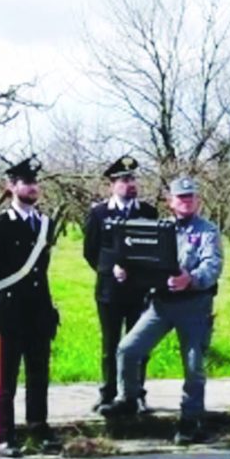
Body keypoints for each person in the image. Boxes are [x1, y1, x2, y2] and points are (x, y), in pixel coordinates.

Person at [100, 175, 223, 445]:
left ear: (197, 201)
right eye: (181, 197)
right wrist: (124, 270)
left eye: (190, 197)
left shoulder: (207, 231)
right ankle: (128, 398)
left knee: (193, 366)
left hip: (194, 305)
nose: (186, 202)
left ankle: (191, 420)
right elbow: (141, 259)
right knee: (128, 349)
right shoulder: (159, 229)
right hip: (161, 304)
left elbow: (212, 266)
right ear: (170, 202)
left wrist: (190, 278)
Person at [0, 155, 62, 457]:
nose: (33, 187)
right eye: (26, 182)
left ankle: (38, 426)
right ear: (11, 186)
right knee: (6, 376)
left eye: (35, 182)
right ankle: (3, 433)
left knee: (39, 373)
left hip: (39, 310)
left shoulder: (45, 224)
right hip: (10, 311)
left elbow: (42, 270)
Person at [82, 155, 158, 413]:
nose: (130, 184)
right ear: (112, 184)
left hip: (139, 290)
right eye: (124, 180)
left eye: (133, 179)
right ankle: (108, 393)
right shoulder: (99, 213)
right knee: (110, 343)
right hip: (110, 291)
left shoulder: (147, 212)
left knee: (139, 345)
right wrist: (109, 269)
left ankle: (136, 394)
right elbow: (91, 251)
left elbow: (153, 250)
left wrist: (138, 274)